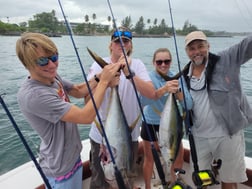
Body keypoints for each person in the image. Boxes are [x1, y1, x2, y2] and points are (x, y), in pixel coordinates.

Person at [15, 32, 122, 189]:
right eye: (42, 61)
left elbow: (78, 90)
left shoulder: (51, 77)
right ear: (27, 63)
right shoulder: (35, 95)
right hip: (60, 169)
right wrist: (105, 82)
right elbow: (86, 117)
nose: (52, 65)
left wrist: (99, 77)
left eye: (54, 57)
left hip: (72, 158)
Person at [87, 26, 157, 189]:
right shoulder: (98, 66)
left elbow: (151, 93)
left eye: (126, 41)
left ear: (131, 45)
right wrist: (106, 81)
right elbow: (87, 97)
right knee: (99, 181)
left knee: (125, 179)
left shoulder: (138, 65)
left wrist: (128, 72)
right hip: (100, 137)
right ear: (111, 45)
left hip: (128, 136)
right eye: (117, 41)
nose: (122, 44)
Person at [182, 30, 252, 189]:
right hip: (199, 137)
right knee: (199, 180)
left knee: (229, 179)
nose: (197, 51)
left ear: (208, 46)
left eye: (201, 46)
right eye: (192, 48)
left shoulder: (226, 59)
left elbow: (247, 45)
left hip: (228, 134)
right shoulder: (184, 75)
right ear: (187, 52)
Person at [140, 48, 193, 189]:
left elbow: (188, 104)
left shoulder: (178, 79)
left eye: (167, 61)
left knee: (178, 158)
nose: (163, 64)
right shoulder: (148, 78)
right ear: (154, 63)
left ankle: (174, 183)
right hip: (151, 123)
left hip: (173, 124)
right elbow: (142, 101)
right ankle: (147, 187)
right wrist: (164, 89)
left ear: (171, 62)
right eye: (159, 62)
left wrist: (178, 93)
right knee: (149, 159)